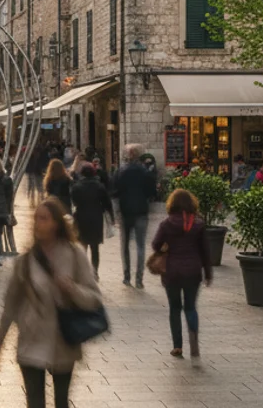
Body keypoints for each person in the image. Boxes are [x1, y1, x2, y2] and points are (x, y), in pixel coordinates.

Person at [0, 197, 103, 408]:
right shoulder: (25, 261)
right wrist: (0, 340)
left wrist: (71, 288)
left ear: (56, 223)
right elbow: (11, 302)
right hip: (30, 341)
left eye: (43, 218)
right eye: (36, 218)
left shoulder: (75, 255)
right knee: (35, 407)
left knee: (61, 402)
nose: (37, 223)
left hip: (62, 340)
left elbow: (94, 298)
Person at [151, 189, 212, 359]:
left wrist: (165, 246)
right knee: (191, 307)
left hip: (172, 272)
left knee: (175, 308)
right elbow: (205, 251)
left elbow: (156, 244)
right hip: (193, 271)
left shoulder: (166, 224)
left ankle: (177, 346)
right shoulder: (199, 224)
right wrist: (208, 273)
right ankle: (194, 343)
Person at [113, 144, 157, 288]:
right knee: (140, 245)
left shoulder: (121, 171)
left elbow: (114, 190)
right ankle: (139, 279)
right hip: (141, 211)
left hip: (126, 212)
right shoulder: (145, 172)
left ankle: (127, 276)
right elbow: (152, 192)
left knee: (125, 245)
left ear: (127, 155)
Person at [70, 163, 112, 279]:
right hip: (96, 219)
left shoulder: (77, 187)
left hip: (81, 218)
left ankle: (83, 272)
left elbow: (74, 202)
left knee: (82, 247)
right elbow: (107, 203)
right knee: (95, 248)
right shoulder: (99, 186)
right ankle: (95, 272)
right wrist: (110, 217)